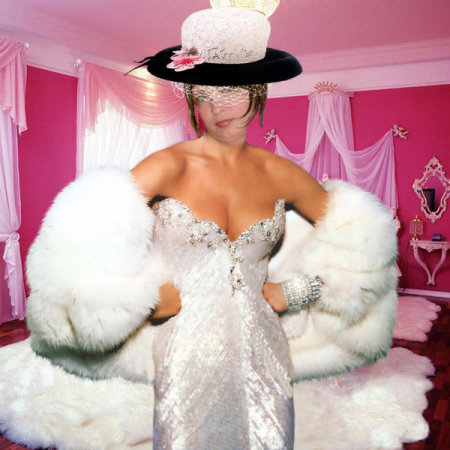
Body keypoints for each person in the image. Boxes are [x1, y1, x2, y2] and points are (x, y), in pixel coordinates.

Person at [0, 3, 397, 449]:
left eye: (235, 90)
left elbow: (363, 247)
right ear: (190, 95)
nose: (220, 105)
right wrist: (140, 299)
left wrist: (296, 290)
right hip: (185, 350)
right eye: (206, 91)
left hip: (263, 350)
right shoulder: (165, 167)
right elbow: (74, 249)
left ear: (259, 92)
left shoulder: (282, 175)